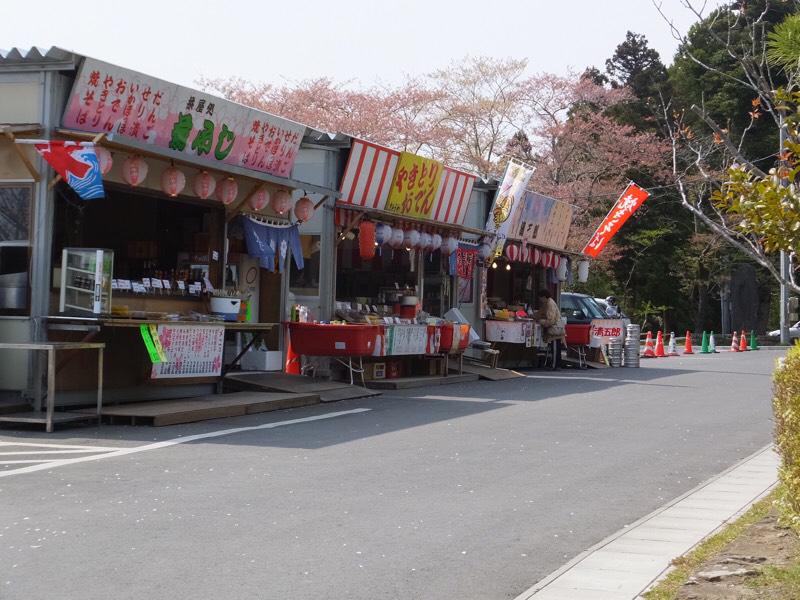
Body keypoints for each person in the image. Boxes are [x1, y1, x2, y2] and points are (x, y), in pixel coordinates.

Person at [535, 289, 566, 370]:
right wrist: (534, 316)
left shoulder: (550, 304)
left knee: (555, 348)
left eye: (540, 298)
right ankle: (556, 364)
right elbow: (540, 312)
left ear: (544, 297)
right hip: (556, 328)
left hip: (555, 329)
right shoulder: (546, 303)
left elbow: (551, 320)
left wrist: (541, 321)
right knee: (555, 347)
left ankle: (555, 365)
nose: (540, 300)